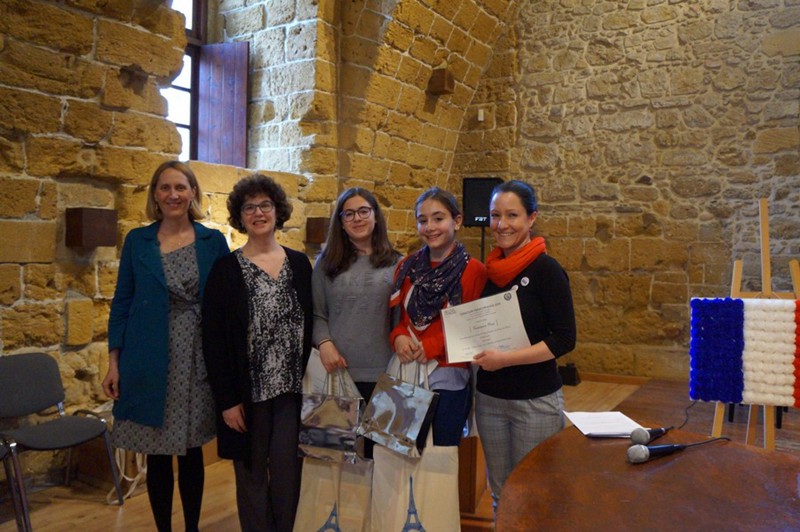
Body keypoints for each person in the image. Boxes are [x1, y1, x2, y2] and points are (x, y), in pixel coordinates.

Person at [103, 160, 230, 532]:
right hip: (149, 356)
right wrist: (114, 362)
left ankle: (191, 528)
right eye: (165, 188)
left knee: (191, 451)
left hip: (198, 357)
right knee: (157, 452)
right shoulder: (137, 241)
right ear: (155, 195)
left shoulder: (213, 242)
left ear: (193, 193)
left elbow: (226, 304)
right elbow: (122, 302)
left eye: (180, 187)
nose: (173, 195)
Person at [201, 173, 312, 532]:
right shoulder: (225, 270)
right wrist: (227, 400)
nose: (258, 213)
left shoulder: (299, 264)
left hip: (291, 392)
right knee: (250, 475)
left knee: (288, 473)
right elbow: (214, 341)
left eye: (265, 205)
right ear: (240, 216)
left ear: (278, 211)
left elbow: (313, 323)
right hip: (248, 394)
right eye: (249, 207)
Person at [472, 179, 577, 515]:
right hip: (490, 400)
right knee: (500, 495)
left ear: (532, 218)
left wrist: (505, 359)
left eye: (512, 215)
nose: (502, 224)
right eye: (495, 215)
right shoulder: (488, 273)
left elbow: (564, 338)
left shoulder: (547, 270)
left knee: (534, 496)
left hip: (535, 401)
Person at [390, 187, 487, 448]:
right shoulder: (406, 266)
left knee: (441, 453)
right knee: (400, 449)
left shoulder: (474, 271)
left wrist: (434, 345)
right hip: (407, 370)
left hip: (448, 375)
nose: (430, 227)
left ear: (457, 221)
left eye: (438, 218)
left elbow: (474, 326)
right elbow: (399, 318)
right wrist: (398, 336)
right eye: (422, 220)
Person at [312, 187, 401, 403]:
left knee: (381, 429)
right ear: (341, 223)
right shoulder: (325, 263)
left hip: (387, 371)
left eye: (363, 211)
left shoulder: (397, 263)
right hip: (335, 369)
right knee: (335, 428)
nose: (357, 218)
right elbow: (317, 313)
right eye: (349, 214)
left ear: (375, 216)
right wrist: (324, 343)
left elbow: (401, 319)